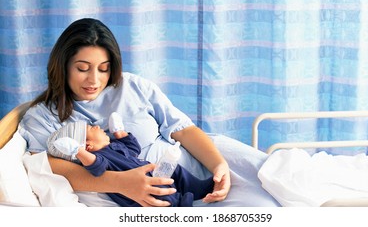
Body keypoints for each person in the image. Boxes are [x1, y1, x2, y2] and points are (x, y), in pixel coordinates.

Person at [19, 18, 280, 207]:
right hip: (152, 196)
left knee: (273, 197)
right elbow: (51, 167)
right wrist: (120, 183)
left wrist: (218, 164)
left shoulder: (132, 86)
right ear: (62, 65)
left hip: (192, 167)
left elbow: (182, 129)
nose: (94, 80)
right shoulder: (42, 117)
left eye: (104, 68)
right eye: (83, 68)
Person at [46, 113, 214, 207]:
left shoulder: (112, 146)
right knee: (157, 196)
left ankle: (196, 187)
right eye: (91, 129)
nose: (97, 126)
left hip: (149, 171)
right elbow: (96, 167)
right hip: (134, 190)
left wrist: (120, 132)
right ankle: (179, 205)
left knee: (175, 170)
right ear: (88, 146)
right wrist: (78, 152)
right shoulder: (100, 157)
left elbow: (133, 149)